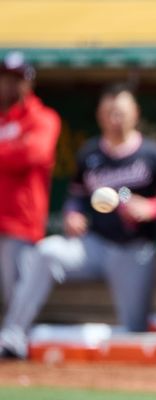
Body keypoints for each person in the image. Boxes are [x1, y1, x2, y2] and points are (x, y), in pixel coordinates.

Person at [0, 83, 156, 359]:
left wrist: (149, 207)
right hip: (94, 245)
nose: (115, 119)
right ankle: (12, 337)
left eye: (121, 112)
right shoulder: (90, 153)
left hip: (134, 249)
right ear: (99, 116)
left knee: (133, 330)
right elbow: (76, 196)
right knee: (47, 252)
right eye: (109, 113)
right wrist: (72, 214)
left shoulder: (153, 154)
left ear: (135, 113)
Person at [0, 51, 61, 313]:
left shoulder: (42, 117)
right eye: (5, 78)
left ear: (29, 82)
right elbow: (18, 153)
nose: (10, 84)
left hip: (20, 225)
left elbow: (34, 153)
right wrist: (12, 148)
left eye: (17, 78)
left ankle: (17, 352)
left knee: (18, 305)